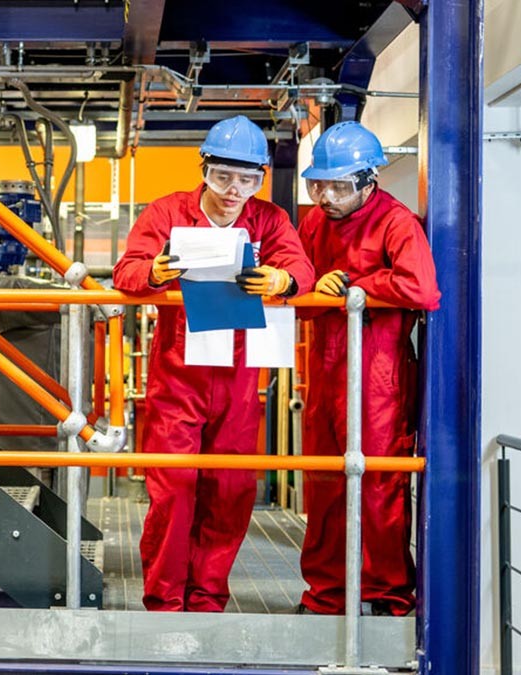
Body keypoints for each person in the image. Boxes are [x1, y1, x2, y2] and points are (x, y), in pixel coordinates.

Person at [113, 115, 314, 612]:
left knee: (228, 490)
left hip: (243, 378)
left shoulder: (269, 220)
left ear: (261, 178)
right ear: (203, 169)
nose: (234, 190)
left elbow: (301, 269)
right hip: (179, 376)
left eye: (248, 179)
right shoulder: (167, 213)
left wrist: (281, 283)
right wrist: (155, 272)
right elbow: (127, 271)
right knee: (174, 490)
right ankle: (164, 599)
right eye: (224, 176)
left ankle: (207, 598)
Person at [296, 121, 441, 616]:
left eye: (339, 186)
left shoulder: (397, 223)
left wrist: (356, 283)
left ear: (369, 181)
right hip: (324, 367)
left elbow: (421, 289)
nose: (327, 196)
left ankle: (386, 596)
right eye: (319, 185)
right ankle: (326, 594)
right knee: (323, 486)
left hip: (380, 376)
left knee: (380, 487)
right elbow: (301, 291)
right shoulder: (314, 223)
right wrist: (315, 290)